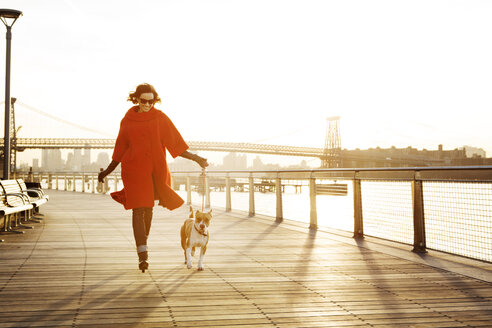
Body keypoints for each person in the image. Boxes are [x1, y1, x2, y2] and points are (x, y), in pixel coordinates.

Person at [98, 83, 208, 272]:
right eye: (144, 101)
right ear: (136, 99)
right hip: (133, 171)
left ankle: (143, 244)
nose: (148, 104)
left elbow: (176, 144)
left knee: (148, 209)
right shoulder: (128, 120)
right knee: (138, 209)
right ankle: (143, 255)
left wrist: (196, 158)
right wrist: (107, 171)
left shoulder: (160, 118)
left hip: (154, 171)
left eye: (151, 101)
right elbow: (119, 149)